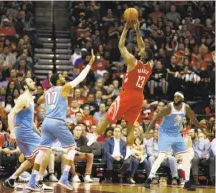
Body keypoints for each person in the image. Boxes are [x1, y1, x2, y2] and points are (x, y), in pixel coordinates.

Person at [26, 50, 95, 191]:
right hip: (57, 121)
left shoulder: (47, 92)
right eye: (62, 77)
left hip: (46, 123)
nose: (65, 78)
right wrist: (90, 64)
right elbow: (79, 79)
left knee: (43, 152)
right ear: (58, 81)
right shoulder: (63, 88)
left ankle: (32, 180)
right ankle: (64, 177)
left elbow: (38, 101)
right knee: (71, 148)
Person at [94, 20, 153, 156]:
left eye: (142, 51)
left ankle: (93, 137)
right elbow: (142, 46)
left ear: (143, 55)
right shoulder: (150, 65)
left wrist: (126, 29)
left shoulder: (133, 61)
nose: (140, 49)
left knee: (109, 116)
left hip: (128, 94)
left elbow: (121, 46)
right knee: (130, 125)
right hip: (139, 97)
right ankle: (130, 149)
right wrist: (137, 31)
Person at [144, 91, 209, 191]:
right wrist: (147, 131)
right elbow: (155, 118)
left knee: (186, 156)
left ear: (182, 99)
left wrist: (203, 129)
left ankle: (187, 181)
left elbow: (194, 120)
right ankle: (149, 179)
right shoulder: (168, 107)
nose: (176, 98)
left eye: (178, 97)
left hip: (175, 134)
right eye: (174, 96)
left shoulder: (185, 107)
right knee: (161, 156)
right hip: (164, 133)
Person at [3, 78, 52, 191]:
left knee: (32, 161)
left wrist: (39, 134)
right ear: (25, 86)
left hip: (25, 131)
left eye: (32, 81)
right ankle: (38, 181)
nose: (33, 82)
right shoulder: (24, 98)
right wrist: (12, 132)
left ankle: (11, 179)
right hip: (23, 132)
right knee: (47, 149)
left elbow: (30, 121)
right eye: (30, 82)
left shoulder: (30, 99)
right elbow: (11, 114)